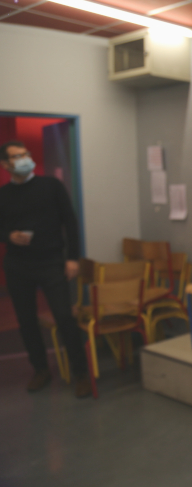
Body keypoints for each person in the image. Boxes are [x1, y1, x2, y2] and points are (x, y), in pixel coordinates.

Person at [0, 141, 90, 398]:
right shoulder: (3, 194)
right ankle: (40, 369)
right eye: (17, 156)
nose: (25, 158)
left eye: (26, 154)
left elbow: (70, 222)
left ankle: (80, 372)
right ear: (6, 165)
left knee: (64, 317)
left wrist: (72, 258)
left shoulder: (51, 186)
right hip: (18, 265)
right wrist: (9, 235)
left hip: (51, 262)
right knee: (26, 321)